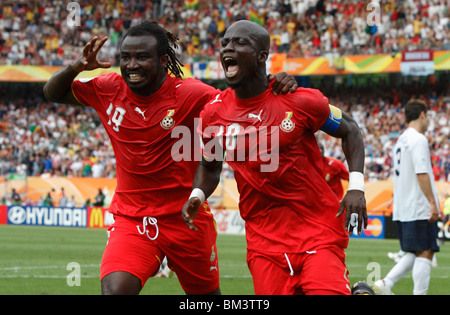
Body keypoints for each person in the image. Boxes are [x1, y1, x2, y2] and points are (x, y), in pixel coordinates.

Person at [43, 21, 297, 295]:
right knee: (115, 290)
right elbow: (53, 93)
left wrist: (272, 83)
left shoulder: (191, 94)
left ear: (164, 60)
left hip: (185, 218)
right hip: (132, 218)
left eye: (142, 57)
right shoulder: (108, 88)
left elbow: (239, 103)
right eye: (125, 58)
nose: (131, 65)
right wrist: (77, 66)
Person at [182, 20, 367, 295]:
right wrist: (197, 194)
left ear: (261, 56)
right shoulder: (213, 113)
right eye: (225, 44)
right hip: (264, 243)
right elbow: (210, 166)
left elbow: (350, 128)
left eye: (240, 43)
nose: (228, 48)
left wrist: (356, 187)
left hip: (318, 231)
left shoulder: (300, 100)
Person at [374, 99, 441, 295]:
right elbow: (421, 173)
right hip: (419, 206)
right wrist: (432, 202)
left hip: (403, 207)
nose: (428, 120)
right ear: (422, 114)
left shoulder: (400, 140)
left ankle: (386, 283)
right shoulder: (418, 139)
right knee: (426, 251)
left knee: (415, 250)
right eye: (427, 116)